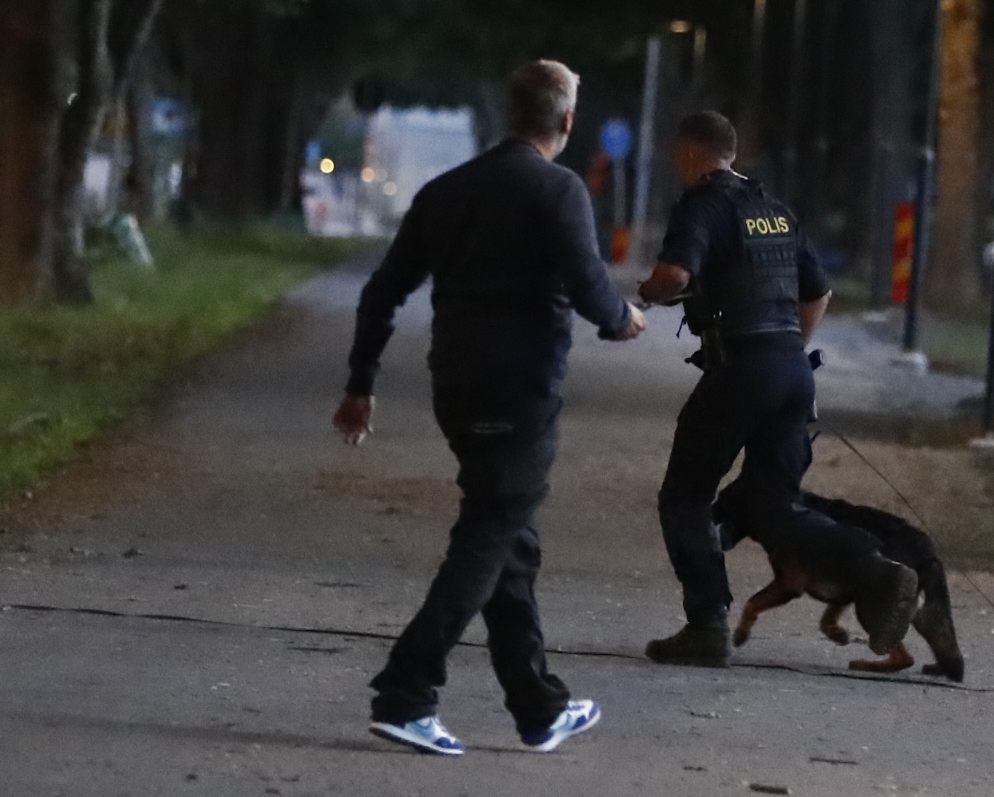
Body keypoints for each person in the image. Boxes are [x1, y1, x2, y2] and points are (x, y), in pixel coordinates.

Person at [335, 60, 644, 757]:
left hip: (457, 387)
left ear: (511, 114)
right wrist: (624, 319)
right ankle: (406, 693)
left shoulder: (447, 191)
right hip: (521, 392)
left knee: (511, 540)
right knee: (488, 534)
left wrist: (361, 383)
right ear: (565, 121)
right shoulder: (559, 190)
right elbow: (592, 289)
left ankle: (539, 708)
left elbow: (382, 291)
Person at [632, 110, 919, 667]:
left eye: (676, 156)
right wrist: (788, 350)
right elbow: (818, 292)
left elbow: (675, 277)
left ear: (692, 154)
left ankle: (707, 624)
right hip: (791, 368)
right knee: (773, 504)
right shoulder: (775, 210)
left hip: (740, 368)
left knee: (686, 494)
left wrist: (645, 293)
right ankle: (875, 571)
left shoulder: (702, 203)